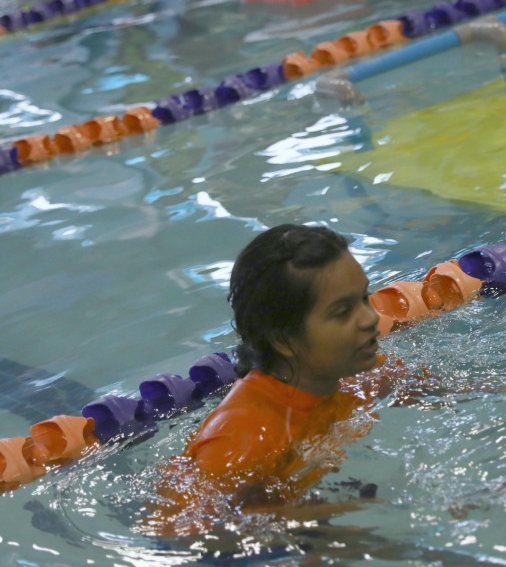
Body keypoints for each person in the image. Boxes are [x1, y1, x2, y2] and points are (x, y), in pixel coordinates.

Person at [144, 224, 435, 538]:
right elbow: (180, 534)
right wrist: (384, 507)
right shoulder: (244, 438)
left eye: (364, 297)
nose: (371, 318)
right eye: (342, 312)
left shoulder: (355, 372)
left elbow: (434, 390)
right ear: (284, 339)